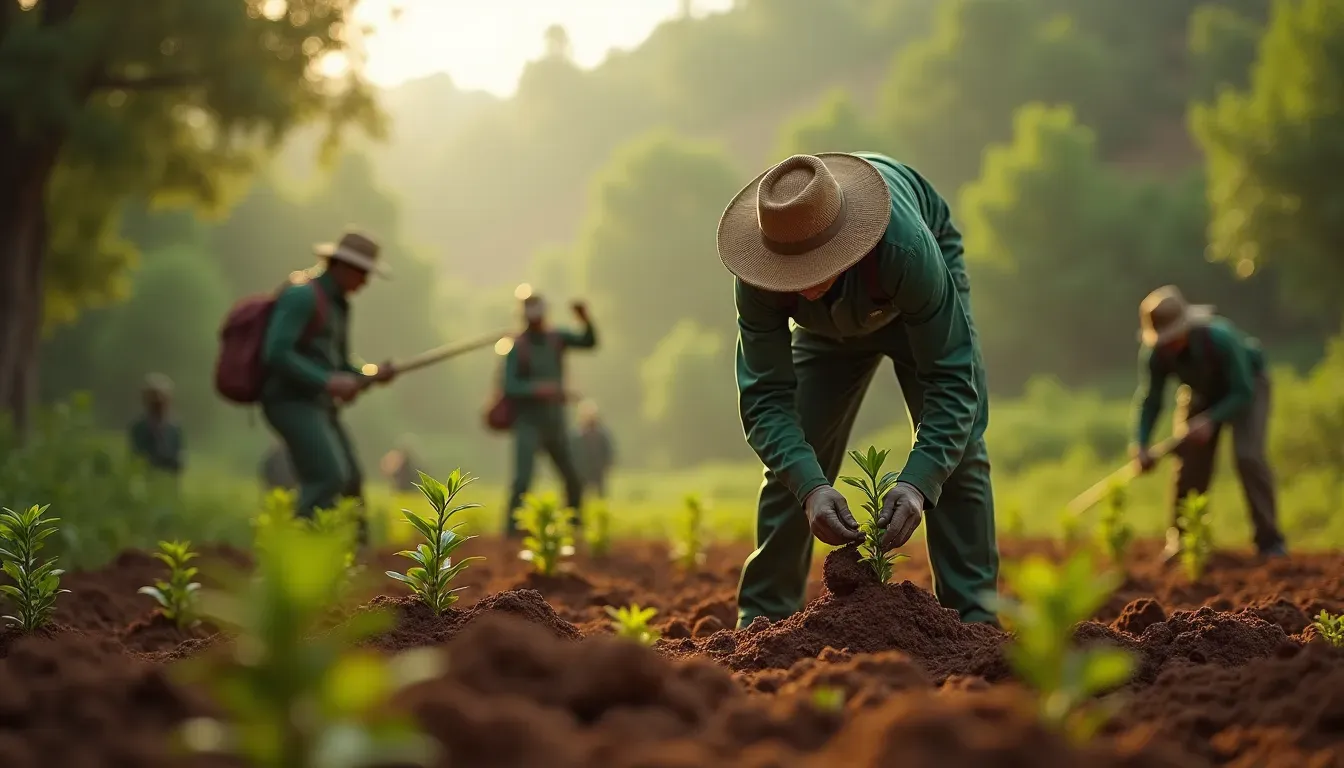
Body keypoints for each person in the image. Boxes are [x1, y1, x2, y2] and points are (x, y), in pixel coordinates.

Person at [716, 152, 999, 629]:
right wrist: (809, 488)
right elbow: (765, 400)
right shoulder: (759, 273)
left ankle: (973, 623)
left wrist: (917, 483)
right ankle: (760, 623)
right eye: (789, 272)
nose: (800, 284)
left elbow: (952, 380)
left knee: (961, 451)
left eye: (812, 269)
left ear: (844, 245)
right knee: (794, 457)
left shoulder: (906, 251)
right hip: (826, 333)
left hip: (909, 305)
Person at [1131, 285, 1286, 559]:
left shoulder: (1220, 338)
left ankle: (1270, 541)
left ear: (1185, 328)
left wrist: (1211, 420)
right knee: (1189, 459)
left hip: (1246, 387)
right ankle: (1182, 540)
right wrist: (1141, 443)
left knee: (1248, 456)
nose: (1168, 345)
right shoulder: (1156, 355)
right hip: (1200, 393)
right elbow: (1151, 399)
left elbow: (1243, 390)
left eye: (1172, 337)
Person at [259, 229, 397, 537]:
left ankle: (354, 556)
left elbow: (340, 365)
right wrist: (327, 381)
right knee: (328, 477)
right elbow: (276, 353)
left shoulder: (338, 305)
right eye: (363, 273)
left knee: (351, 479)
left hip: (319, 404)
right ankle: (295, 556)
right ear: (342, 266)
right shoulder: (302, 296)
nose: (365, 282)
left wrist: (371, 374)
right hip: (290, 401)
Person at [501, 291, 597, 536]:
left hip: (554, 423)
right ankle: (512, 532)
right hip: (528, 423)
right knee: (522, 480)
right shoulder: (517, 346)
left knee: (573, 477)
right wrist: (540, 389)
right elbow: (510, 385)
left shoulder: (557, 339)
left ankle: (574, 526)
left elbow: (588, 342)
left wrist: (585, 319)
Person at [128, 372, 185, 477]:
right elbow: (136, 458)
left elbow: (179, 461)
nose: (158, 403)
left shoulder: (174, 429)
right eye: (154, 399)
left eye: (161, 399)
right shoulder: (139, 428)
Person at [572, 399, 616, 499]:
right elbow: (573, 453)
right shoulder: (577, 436)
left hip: (598, 468)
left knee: (601, 493)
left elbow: (608, 451)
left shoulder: (602, 435)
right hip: (582, 469)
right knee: (580, 493)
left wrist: (608, 463)